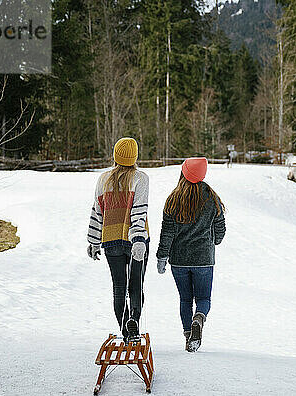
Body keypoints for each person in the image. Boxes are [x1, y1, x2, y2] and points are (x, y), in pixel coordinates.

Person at [156, 157, 226, 352]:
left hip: (179, 260)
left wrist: (162, 256)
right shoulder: (212, 198)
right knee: (203, 299)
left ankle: (189, 336)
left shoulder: (173, 199)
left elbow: (167, 233)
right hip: (204, 259)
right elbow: (220, 228)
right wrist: (214, 241)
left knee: (185, 300)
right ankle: (199, 319)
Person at [87, 137, 150, 342]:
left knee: (119, 287)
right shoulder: (140, 178)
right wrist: (139, 239)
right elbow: (139, 212)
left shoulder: (103, 179)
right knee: (136, 286)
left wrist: (94, 241)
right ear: (134, 157)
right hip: (135, 242)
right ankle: (134, 322)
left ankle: (126, 331)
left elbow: (97, 211)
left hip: (111, 239)